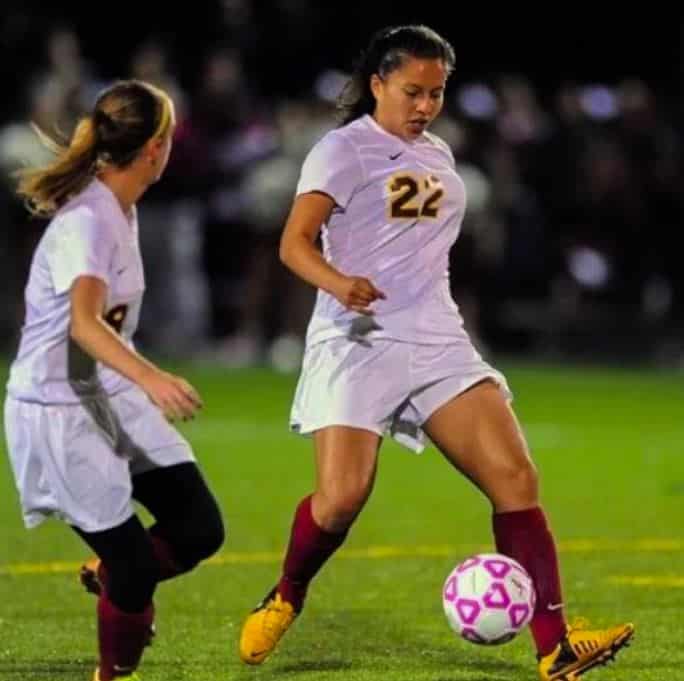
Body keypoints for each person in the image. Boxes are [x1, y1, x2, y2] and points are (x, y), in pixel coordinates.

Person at [238, 25, 633, 680]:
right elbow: (294, 243)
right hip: (356, 337)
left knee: (515, 478)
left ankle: (555, 644)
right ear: (377, 85)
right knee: (340, 498)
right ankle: (286, 592)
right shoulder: (342, 151)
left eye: (437, 93)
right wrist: (340, 283)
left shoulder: (440, 156)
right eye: (412, 92)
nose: (424, 106)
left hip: (434, 335)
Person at [4, 79, 225, 681]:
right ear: (154, 147)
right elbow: (83, 323)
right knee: (133, 570)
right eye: (170, 135)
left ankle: (113, 580)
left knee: (199, 528)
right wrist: (152, 378)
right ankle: (113, 667)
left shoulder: (119, 207)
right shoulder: (91, 220)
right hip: (57, 407)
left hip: (104, 393)